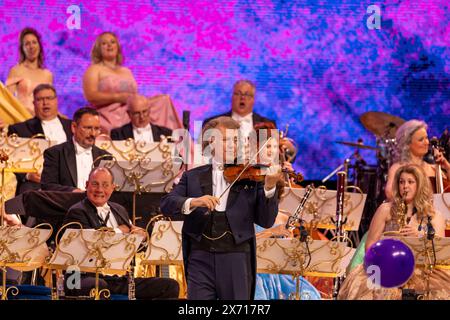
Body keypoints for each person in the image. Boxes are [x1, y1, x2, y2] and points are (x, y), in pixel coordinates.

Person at [160, 116, 283, 300]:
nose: (233, 145)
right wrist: (193, 202)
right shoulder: (192, 177)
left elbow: (266, 221)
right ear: (212, 142)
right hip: (200, 258)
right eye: (226, 140)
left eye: (236, 140)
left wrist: (269, 187)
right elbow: (167, 205)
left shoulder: (249, 176)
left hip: (236, 258)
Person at [62, 167, 179, 299]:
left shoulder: (119, 210)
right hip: (78, 278)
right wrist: (120, 231)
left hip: (115, 278)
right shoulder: (77, 211)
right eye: (95, 184)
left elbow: (133, 242)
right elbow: (91, 244)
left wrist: (142, 237)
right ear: (87, 185)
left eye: (105, 185)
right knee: (98, 285)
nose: (100, 190)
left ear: (113, 188)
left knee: (169, 286)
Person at [338, 164, 449, 300]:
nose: (405, 187)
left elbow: (439, 250)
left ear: (420, 185)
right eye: (401, 182)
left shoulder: (434, 215)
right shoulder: (385, 209)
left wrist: (419, 237)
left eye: (410, 182)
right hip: (386, 266)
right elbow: (370, 245)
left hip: (423, 269)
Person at [202, 80, 296, 161]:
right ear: (232, 97)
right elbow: (203, 153)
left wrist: (288, 152)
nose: (242, 97)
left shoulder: (268, 123)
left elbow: (276, 156)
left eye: (247, 94)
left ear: (253, 99)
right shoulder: (213, 122)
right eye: (238, 93)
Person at [8, 84, 72, 194]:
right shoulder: (20, 129)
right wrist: (27, 175)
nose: (45, 103)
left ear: (56, 100)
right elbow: (11, 159)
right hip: (37, 182)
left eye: (49, 98)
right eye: (40, 99)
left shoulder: (72, 127)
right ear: (33, 103)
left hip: (69, 180)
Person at [40, 107, 110, 192]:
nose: (93, 134)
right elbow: (47, 186)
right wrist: (72, 191)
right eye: (88, 128)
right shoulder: (55, 153)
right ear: (74, 127)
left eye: (96, 129)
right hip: (66, 203)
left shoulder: (105, 157)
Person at [82, 32, 138, 134]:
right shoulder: (94, 70)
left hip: (130, 120)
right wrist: (118, 98)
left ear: (118, 47)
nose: (109, 45)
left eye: (112, 42)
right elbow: (91, 96)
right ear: (98, 49)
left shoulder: (127, 71)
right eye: (104, 43)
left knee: (163, 101)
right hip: (105, 120)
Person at [385, 120, 450, 199]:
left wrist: (447, 166)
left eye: (426, 138)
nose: (426, 142)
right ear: (407, 144)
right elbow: (390, 194)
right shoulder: (398, 168)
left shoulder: (433, 168)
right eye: (421, 140)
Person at [5, 27, 53, 115]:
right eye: (27, 44)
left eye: (34, 42)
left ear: (39, 45)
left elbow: (50, 103)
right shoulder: (16, 70)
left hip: (41, 121)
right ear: (22, 48)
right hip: (21, 119)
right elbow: (8, 101)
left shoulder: (47, 74)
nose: (31, 46)